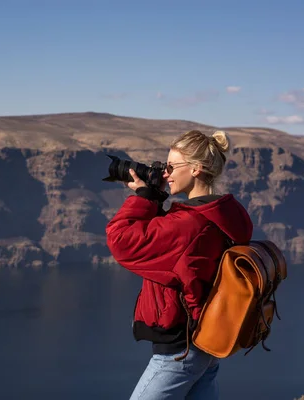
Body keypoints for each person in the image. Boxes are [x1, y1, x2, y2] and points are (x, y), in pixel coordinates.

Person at [105, 130, 254, 400]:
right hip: (206, 340)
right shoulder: (227, 212)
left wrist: (145, 196)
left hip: (179, 351)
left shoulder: (188, 224)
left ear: (196, 169)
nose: (166, 174)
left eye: (172, 167)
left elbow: (121, 240)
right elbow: (179, 248)